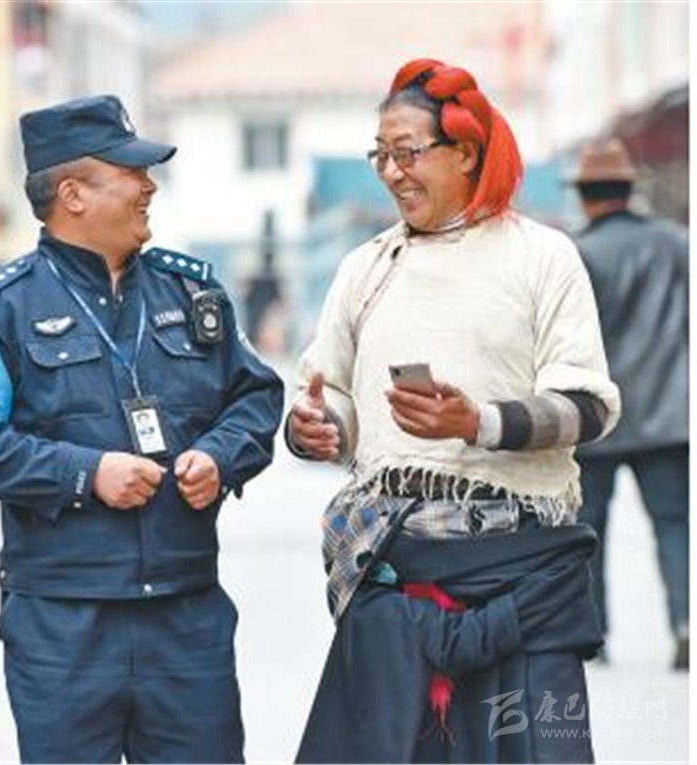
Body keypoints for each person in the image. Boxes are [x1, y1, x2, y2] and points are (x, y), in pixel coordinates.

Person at [0, 95, 284, 763]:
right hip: (63, 624)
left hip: (186, 617)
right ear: (73, 195)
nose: (149, 186)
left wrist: (220, 456)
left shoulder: (191, 293)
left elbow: (256, 397)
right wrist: (86, 474)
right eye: (131, 172)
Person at [285, 58, 621, 762]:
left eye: (407, 152)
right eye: (380, 154)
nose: (391, 172)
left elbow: (588, 407)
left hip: (525, 578)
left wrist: (477, 423)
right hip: (397, 576)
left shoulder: (543, 257)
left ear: (465, 152)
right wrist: (317, 425)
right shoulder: (366, 268)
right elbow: (331, 389)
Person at [569, 138, 689, 671]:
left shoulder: (579, 254)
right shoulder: (679, 246)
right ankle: (686, 624)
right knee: (674, 524)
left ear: (585, 195)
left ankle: (593, 635)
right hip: (670, 416)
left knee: (588, 532)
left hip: (599, 418)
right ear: (628, 188)